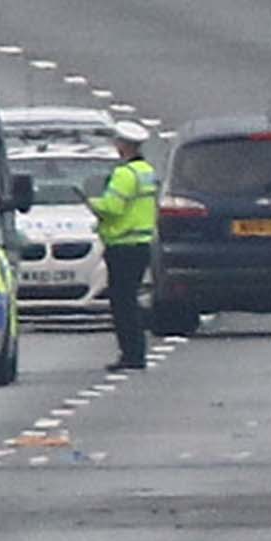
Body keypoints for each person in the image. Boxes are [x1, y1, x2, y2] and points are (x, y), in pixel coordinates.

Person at [88, 136, 165, 368]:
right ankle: (136, 351)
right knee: (130, 299)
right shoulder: (146, 171)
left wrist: (92, 203)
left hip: (122, 245)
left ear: (123, 146)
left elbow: (112, 208)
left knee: (122, 304)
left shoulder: (124, 175)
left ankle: (131, 354)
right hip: (141, 242)